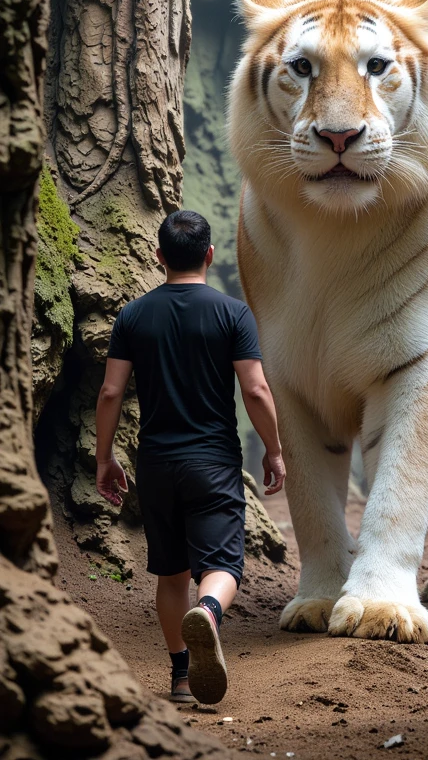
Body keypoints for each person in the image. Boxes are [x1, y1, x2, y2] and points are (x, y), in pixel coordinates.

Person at [94, 210, 285, 706]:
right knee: (221, 563)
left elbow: (111, 392)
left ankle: (181, 677)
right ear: (210, 255)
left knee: (170, 572)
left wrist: (104, 458)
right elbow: (257, 389)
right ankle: (209, 612)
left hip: (155, 463)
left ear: (158, 257)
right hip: (213, 463)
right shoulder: (232, 313)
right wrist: (275, 449)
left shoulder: (133, 315)